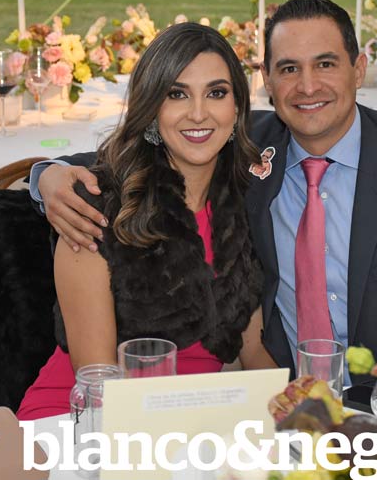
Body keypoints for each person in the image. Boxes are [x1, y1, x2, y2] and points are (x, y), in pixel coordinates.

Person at [33, 0, 377, 384]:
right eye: (288, 69)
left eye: (325, 64)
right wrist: (47, 175)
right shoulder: (242, 146)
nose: (307, 86)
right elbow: (126, 158)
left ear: (359, 69)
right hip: (261, 403)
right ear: (266, 81)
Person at [17, 23, 275, 420]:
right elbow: (97, 381)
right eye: (176, 94)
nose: (199, 113)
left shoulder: (240, 206)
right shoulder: (95, 211)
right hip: (77, 422)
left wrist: (309, 413)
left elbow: (253, 350)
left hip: (191, 422)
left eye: (216, 93)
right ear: (152, 107)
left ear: (238, 108)